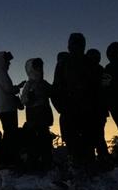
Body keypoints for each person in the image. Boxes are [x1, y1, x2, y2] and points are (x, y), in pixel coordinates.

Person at [52, 34, 93, 163]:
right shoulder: (86, 62)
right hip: (78, 110)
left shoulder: (84, 63)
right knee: (81, 144)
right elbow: (56, 90)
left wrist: (62, 108)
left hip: (78, 110)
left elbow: (55, 89)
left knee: (79, 144)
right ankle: (84, 167)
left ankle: (81, 167)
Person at [19, 57, 54, 171]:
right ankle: (33, 160)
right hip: (33, 115)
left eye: (40, 67)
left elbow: (52, 91)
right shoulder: (29, 84)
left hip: (43, 113)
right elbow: (23, 100)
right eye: (36, 67)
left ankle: (46, 159)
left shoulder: (43, 83)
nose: (39, 69)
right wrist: (29, 97)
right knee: (34, 138)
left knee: (44, 136)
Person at [86, 48, 110, 162]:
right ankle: (101, 158)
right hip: (95, 109)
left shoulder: (98, 70)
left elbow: (106, 88)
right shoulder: (100, 70)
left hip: (95, 109)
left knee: (95, 136)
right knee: (98, 136)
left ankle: (99, 158)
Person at [0, 51, 24, 134]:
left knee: (9, 131)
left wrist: (17, 87)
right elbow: (8, 89)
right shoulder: (1, 73)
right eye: (7, 60)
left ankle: (9, 146)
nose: (9, 63)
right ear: (2, 61)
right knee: (11, 132)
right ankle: (10, 147)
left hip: (4, 108)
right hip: (7, 108)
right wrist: (18, 87)